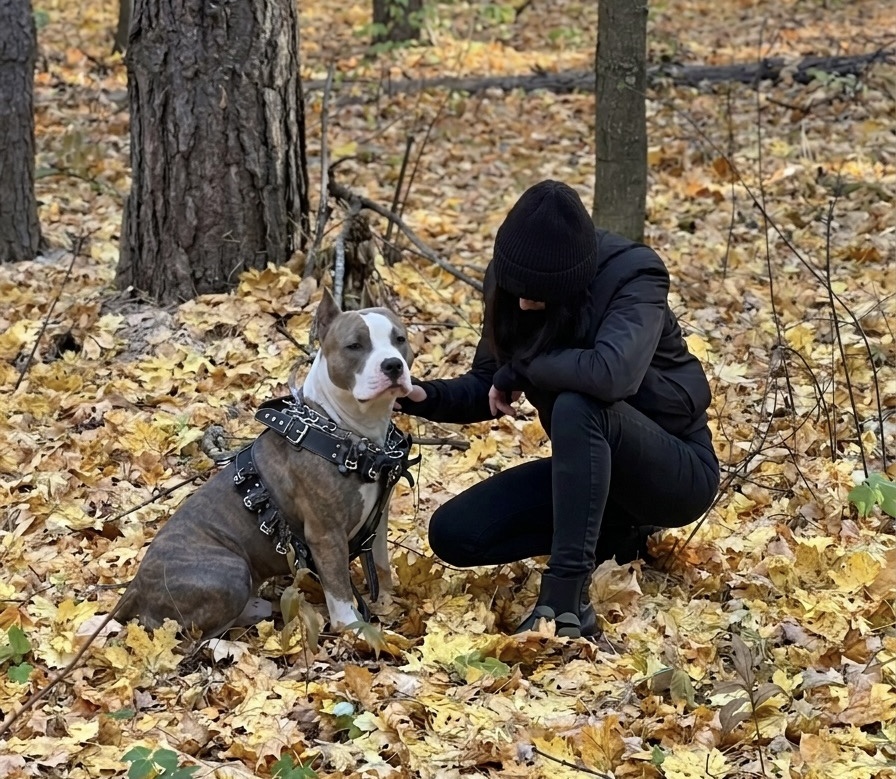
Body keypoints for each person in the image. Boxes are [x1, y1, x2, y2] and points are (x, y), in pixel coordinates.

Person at [398, 180, 720, 639]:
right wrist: (417, 396)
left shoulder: (634, 276)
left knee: (577, 403)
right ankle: (617, 536)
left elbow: (613, 374)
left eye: (540, 296)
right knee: (455, 534)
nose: (526, 303)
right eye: (517, 291)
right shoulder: (510, 282)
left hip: (675, 473)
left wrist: (522, 368)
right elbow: (488, 386)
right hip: (593, 475)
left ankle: (565, 602)